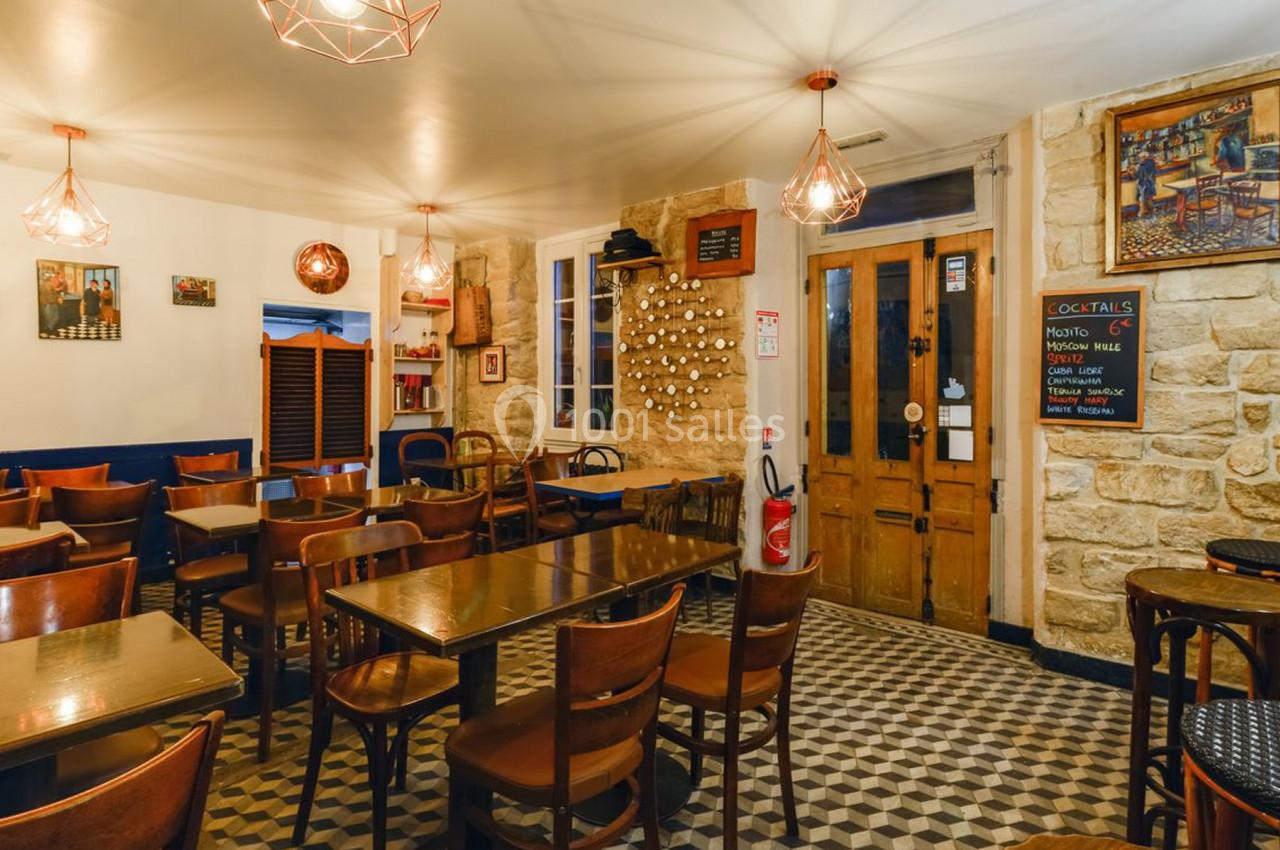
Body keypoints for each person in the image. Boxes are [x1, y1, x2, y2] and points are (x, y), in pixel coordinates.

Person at [1136, 145, 1158, 217]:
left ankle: (1143, 212)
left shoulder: (1143, 165)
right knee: (1148, 198)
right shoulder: (1151, 163)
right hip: (1149, 183)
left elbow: (1139, 175)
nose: (1140, 159)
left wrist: (1135, 170)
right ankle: (1150, 210)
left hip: (1145, 184)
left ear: (1144, 157)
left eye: (1141, 158)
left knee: (1143, 198)